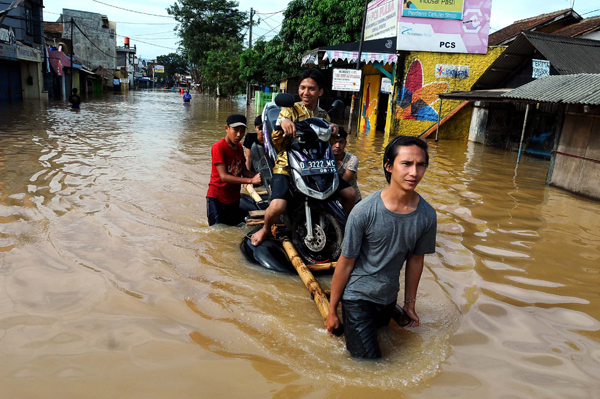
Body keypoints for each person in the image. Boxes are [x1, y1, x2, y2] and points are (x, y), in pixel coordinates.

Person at [325, 136, 437, 359]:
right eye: (406, 164)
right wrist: (332, 312)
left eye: (420, 165)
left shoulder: (427, 215)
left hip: (387, 299)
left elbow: (416, 260)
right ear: (389, 166)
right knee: (369, 365)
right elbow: (346, 263)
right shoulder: (364, 211)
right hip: (358, 298)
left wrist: (409, 305)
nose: (414, 173)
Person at [250, 69, 356, 246]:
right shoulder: (289, 110)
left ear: (320, 91)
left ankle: (348, 229)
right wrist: (283, 125)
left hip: (317, 165)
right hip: (288, 165)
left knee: (350, 193)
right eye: (302, 87)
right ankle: (265, 229)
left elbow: (327, 142)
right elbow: (277, 141)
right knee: (277, 206)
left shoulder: (323, 114)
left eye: (311, 88)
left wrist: (334, 130)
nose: (306, 92)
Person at [206, 114, 262, 226]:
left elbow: (243, 171)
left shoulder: (239, 147)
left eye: (242, 131)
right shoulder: (218, 147)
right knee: (218, 232)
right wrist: (251, 181)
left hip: (233, 198)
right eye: (235, 130)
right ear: (227, 128)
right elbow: (224, 176)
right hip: (217, 199)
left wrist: (261, 177)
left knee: (232, 229)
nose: (239, 135)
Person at [333, 127, 362, 203]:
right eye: (335, 142)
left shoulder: (352, 159)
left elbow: (343, 182)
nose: (338, 146)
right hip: (333, 199)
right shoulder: (325, 158)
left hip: (352, 201)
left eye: (341, 142)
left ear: (345, 143)